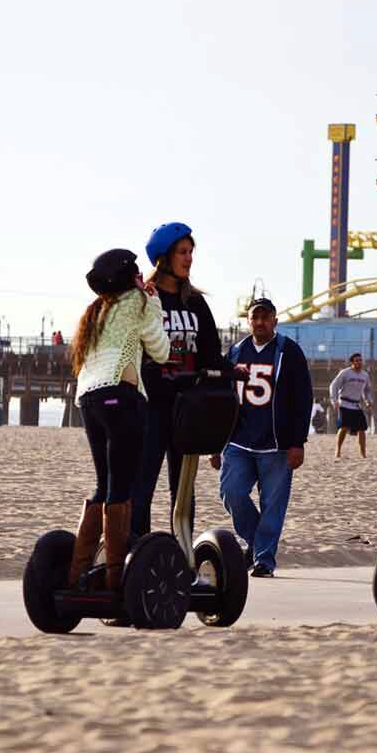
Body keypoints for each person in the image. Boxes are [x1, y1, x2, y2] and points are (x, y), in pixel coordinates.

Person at [66, 249, 171, 589]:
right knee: (121, 488)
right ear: (130, 278)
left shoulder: (96, 310)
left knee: (103, 484)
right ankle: (115, 581)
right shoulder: (137, 302)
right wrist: (154, 304)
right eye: (138, 273)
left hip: (89, 399)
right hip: (120, 396)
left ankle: (77, 575)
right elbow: (162, 351)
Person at [130, 222, 231, 539]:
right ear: (164, 257)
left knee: (184, 490)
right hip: (151, 408)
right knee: (142, 485)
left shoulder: (196, 303)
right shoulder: (145, 299)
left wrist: (231, 374)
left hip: (188, 408)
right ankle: (138, 553)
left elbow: (211, 355)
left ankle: (182, 554)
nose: (189, 259)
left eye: (191, 252)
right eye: (182, 252)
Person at [210, 298, 312, 578]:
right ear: (249, 321)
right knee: (231, 493)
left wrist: (297, 442)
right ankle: (256, 542)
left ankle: (264, 559)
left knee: (273, 505)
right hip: (239, 442)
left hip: (277, 445)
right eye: (255, 317)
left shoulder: (288, 352)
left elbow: (303, 400)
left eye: (265, 317)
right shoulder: (236, 352)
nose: (260, 322)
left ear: (275, 321)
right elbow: (223, 399)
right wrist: (216, 443)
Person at [329, 352, 373, 458]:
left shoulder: (365, 375)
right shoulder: (345, 373)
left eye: (360, 360)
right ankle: (338, 450)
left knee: (362, 429)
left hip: (356, 405)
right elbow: (333, 386)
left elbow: (367, 390)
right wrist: (334, 401)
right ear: (352, 362)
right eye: (357, 360)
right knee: (343, 427)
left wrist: (368, 400)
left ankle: (363, 454)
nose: (359, 362)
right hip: (344, 404)